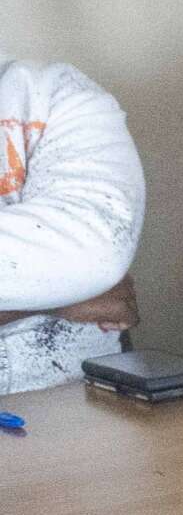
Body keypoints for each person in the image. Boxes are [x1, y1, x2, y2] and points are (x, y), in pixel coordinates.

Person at [1, 56, 145, 393]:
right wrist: (57, 300)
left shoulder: (55, 93)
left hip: (80, 410)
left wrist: (78, 277)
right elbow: (84, 268)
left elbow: (95, 252)